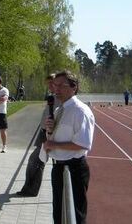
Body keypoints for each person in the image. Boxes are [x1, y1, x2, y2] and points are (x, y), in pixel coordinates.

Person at [43, 70, 95, 224]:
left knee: (76, 216)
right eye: (54, 85)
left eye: (61, 85)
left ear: (74, 87)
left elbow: (83, 143)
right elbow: (55, 137)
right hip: (58, 168)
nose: (56, 89)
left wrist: (53, 144)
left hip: (74, 169)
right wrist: (49, 131)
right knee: (59, 215)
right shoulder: (59, 109)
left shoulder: (80, 111)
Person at [17, 74, 60, 197]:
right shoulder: (52, 97)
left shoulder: (60, 99)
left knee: (35, 160)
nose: (50, 86)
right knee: (36, 161)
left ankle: (31, 189)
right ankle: (30, 189)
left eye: (52, 83)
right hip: (43, 133)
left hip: (51, 135)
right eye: (48, 84)